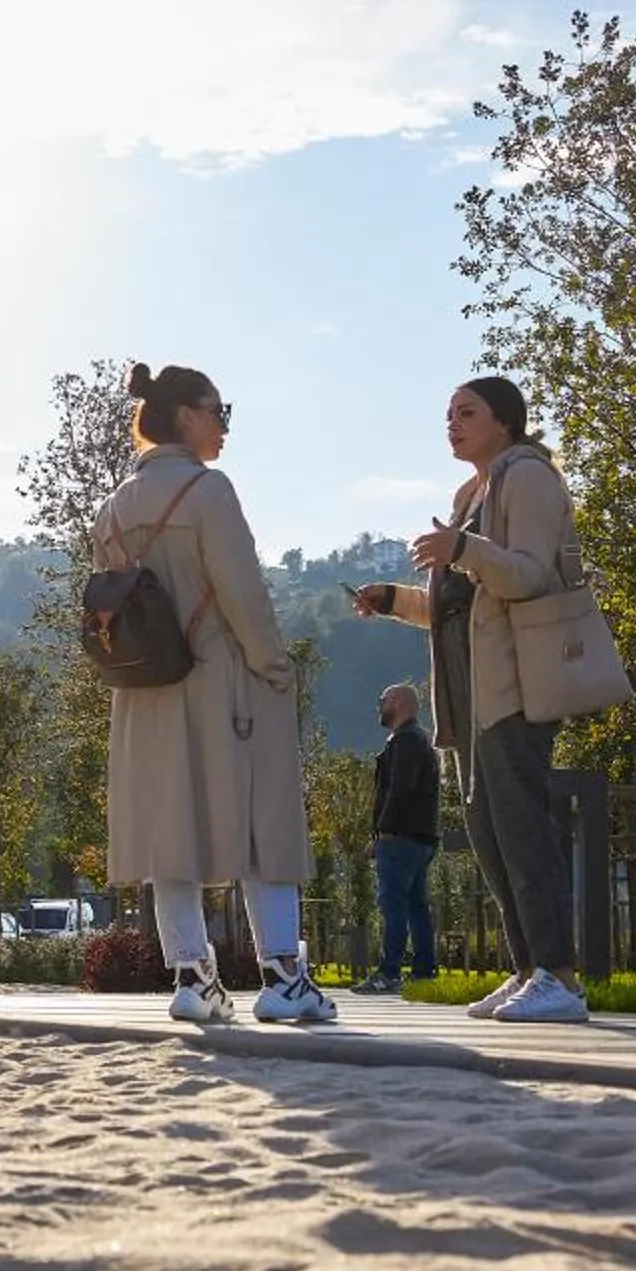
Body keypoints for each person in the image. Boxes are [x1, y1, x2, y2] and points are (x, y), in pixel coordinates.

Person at [94, 363, 331, 1025]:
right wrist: (274, 667)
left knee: (168, 834)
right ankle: (284, 977)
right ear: (185, 416)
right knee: (261, 822)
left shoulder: (113, 508)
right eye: (217, 411)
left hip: (145, 688)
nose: (223, 426)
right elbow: (242, 592)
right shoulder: (208, 491)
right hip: (222, 679)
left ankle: (193, 979)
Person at [353, 376, 590, 1023]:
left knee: (522, 832)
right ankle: (529, 971)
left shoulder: (529, 477)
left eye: (467, 412)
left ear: (505, 421)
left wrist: (463, 548)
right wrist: (394, 599)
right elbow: (457, 608)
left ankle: (561, 977)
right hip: (467, 694)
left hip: (512, 683)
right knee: (490, 836)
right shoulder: (471, 494)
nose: (452, 424)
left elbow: (531, 575)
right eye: (448, 415)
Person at [357, 682, 441, 994]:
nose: (380, 707)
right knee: (417, 906)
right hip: (422, 836)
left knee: (392, 904)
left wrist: (384, 830)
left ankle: (389, 972)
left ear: (399, 702)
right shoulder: (419, 739)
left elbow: (399, 788)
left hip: (401, 837)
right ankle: (424, 971)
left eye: (383, 700)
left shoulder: (405, 740)